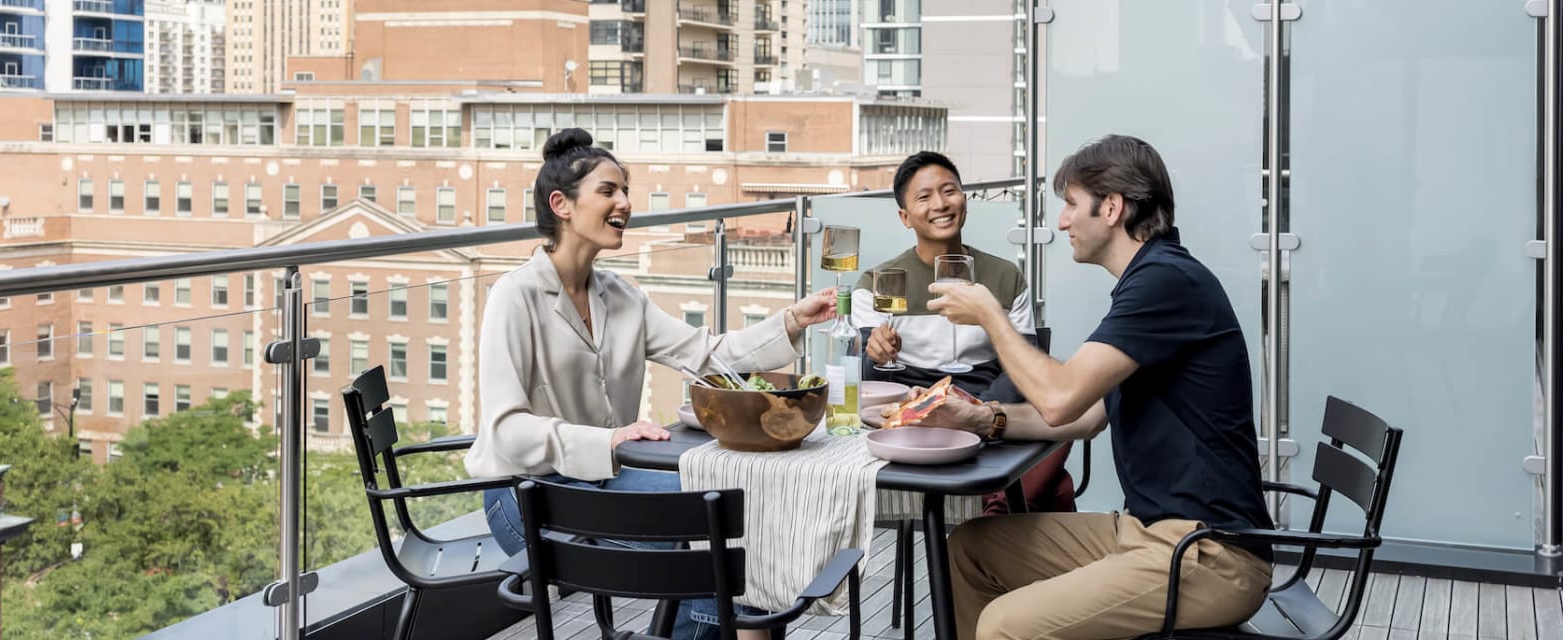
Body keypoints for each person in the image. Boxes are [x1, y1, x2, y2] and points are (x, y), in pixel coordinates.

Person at [467, 127, 838, 640]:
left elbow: (706, 355)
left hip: (606, 482)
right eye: (608, 191)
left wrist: (792, 321)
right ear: (562, 204)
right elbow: (506, 430)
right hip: (527, 494)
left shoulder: (622, 296)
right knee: (704, 542)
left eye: (625, 190)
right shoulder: (514, 297)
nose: (625, 202)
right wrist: (611, 439)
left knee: (730, 516)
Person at [905, 134, 1275, 639]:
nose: (1061, 221)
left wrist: (991, 315)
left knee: (1005, 626)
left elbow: (1060, 400)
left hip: (1210, 553)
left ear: (1113, 208)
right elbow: (1088, 414)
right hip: (1147, 532)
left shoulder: (1166, 283)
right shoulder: (1147, 280)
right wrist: (984, 418)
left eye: (1071, 204)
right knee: (968, 550)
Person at [852, 150, 1075, 515]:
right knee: (1059, 488)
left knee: (1065, 401)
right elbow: (869, 378)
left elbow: (1022, 364)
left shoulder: (1006, 277)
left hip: (989, 395)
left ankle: (998, 510)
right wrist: (875, 355)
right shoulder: (879, 282)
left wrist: (979, 412)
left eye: (949, 191)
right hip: (914, 402)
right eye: (924, 197)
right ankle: (1014, 504)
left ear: (965, 200)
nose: (940, 204)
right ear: (905, 217)